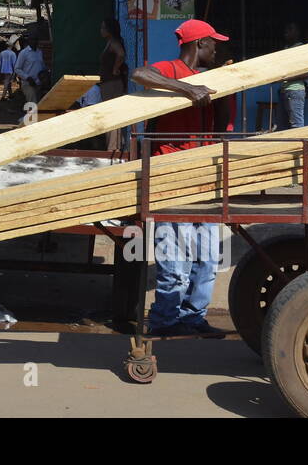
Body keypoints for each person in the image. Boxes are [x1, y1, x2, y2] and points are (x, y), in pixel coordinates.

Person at [130, 19, 233, 338]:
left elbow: (222, 126)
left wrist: (228, 83)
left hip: (206, 173)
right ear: (199, 44)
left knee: (206, 256)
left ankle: (193, 317)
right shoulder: (172, 70)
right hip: (172, 173)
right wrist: (189, 89)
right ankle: (164, 320)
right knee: (174, 254)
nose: (217, 48)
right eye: (213, 42)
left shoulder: (211, 78)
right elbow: (140, 74)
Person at [97, 18, 129, 150]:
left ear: (109, 30)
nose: (101, 30)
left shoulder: (114, 42)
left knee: (112, 114)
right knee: (109, 114)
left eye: (103, 27)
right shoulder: (110, 42)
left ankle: (114, 148)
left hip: (112, 83)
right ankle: (112, 146)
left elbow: (121, 54)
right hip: (108, 83)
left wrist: (115, 68)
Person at [277, 21, 306, 130]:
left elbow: (306, 74)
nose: (286, 32)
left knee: (296, 125)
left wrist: (284, 78)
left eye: (290, 29)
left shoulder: (301, 48)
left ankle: (301, 147)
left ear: (297, 32)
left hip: (295, 90)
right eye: (286, 29)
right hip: (284, 90)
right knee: (282, 126)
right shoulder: (286, 48)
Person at [14, 36, 46, 105]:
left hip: (38, 83)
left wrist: (44, 74)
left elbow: (42, 66)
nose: (34, 42)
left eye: (36, 40)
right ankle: (31, 115)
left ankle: (32, 115)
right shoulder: (24, 53)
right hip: (28, 84)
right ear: (29, 41)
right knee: (33, 105)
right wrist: (28, 78)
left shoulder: (39, 52)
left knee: (39, 105)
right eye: (32, 40)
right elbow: (17, 68)